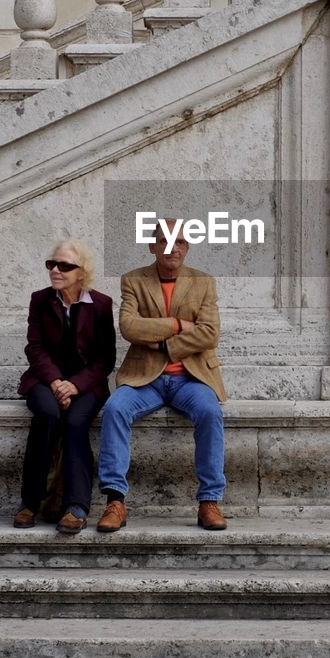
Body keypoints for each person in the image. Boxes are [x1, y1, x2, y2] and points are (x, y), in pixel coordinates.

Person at [96, 220, 226, 532]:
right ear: (152, 246)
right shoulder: (133, 280)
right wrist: (179, 326)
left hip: (191, 379)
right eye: (166, 242)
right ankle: (115, 501)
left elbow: (210, 334)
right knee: (114, 409)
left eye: (180, 242)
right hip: (146, 379)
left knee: (210, 411)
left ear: (187, 247)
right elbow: (129, 327)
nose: (174, 248)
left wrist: (161, 342)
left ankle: (209, 501)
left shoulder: (204, 281)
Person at [13, 239, 115, 534]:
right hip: (46, 380)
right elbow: (35, 348)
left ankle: (77, 506)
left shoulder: (101, 304)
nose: (56, 270)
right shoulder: (40, 299)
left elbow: (104, 360)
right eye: (52, 264)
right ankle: (29, 502)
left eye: (65, 266)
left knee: (75, 422)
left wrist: (75, 385)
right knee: (47, 415)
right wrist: (57, 382)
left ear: (82, 272)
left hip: (86, 384)